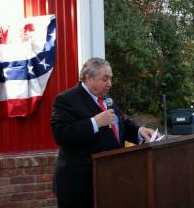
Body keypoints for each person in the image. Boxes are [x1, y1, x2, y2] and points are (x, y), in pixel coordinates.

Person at [50, 57, 155, 208]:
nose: (110, 84)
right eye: (105, 79)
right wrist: (95, 123)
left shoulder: (106, 98)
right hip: (79, 185)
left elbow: (120, 123)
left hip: (108, 179)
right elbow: (61, 134)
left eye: (111, 78)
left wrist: (139, 131)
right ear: (88, 78)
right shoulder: (66, 99)